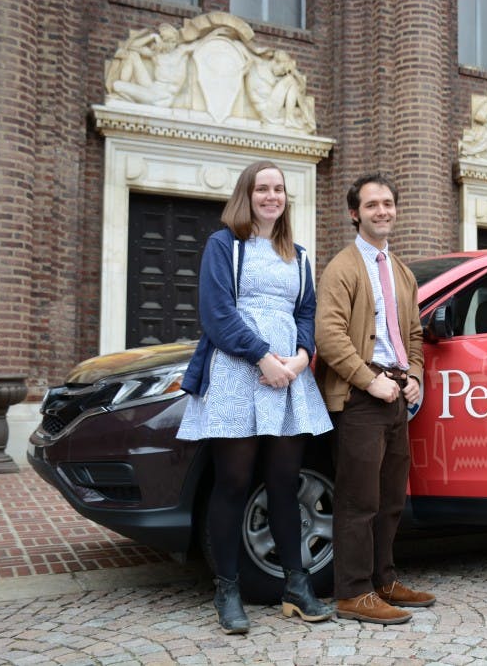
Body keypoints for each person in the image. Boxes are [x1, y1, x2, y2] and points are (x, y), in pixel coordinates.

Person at [176, 161, 334, 635]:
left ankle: (297, 585)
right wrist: (263, 357)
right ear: (247, 195)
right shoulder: (224, 245)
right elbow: (217, 313)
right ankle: (227, 590)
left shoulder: (300, 256)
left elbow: (307, 312)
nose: (271, 196)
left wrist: (302, 358)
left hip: (289, 378)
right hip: (237, 373)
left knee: (284, 483)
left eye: (278, 189)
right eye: (262, 188)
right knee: (233, 483)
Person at [314, 173, 434, 625]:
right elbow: (329, 335)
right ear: (354, 213)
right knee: (358, 500)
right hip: (361, 397)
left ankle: (383, 580)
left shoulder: (400, 270)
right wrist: (369, 380)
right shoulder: (343, 267)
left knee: (390, 498)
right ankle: (352, 592)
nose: (382, 211)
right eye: (371, 205)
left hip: (396, 393)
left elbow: (416, 335)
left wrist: (415, 377)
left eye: (387, 203)